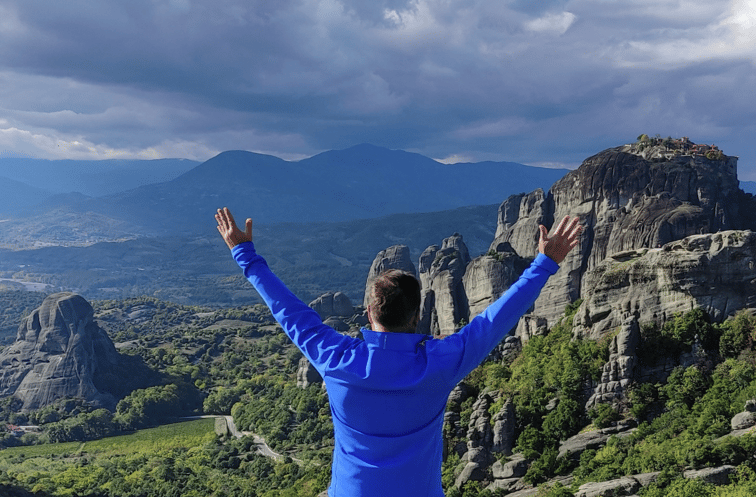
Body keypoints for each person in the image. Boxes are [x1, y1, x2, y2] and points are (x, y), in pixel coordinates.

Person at [215, 207, 581, 497]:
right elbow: (494, 321)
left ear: (369, 312)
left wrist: (244, 252)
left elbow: (289, 312)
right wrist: (544, 263)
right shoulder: (440, 363)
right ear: (418, 315)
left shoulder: (337, 359)